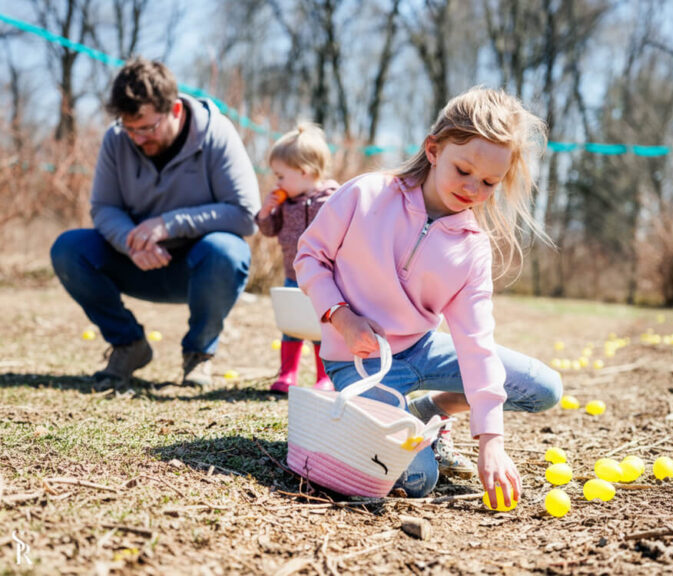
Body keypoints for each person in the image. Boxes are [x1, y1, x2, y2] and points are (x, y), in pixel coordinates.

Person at [294, 87, 562, 506]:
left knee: (543, 388)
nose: (473, 188)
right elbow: (310, 257)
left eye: (490, 182)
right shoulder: (365, 194)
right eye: (464, 170)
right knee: (417, 478)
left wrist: (491, 440)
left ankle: (427, 410)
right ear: (433, 149)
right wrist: (342, 317)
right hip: (358, 360)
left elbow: (475, 344)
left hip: (422, 350)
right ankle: (385, 411)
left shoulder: (472, 248)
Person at [50, 57, 260, 389]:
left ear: (175, 110)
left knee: (228, 251)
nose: (137, 139)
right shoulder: (116, 139)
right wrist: (129, 241)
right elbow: (104, 207)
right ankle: (128, 345)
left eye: (147, 128)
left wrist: (169, 224)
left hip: (199, 268)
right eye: (129, 128)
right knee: (68, 248)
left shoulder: (216, 134)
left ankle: (199, 355)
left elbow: (247, 213)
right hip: (137, 261)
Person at [256, 123, 339, 393]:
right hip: (293, 276)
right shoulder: (284, 204)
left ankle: (325, 376)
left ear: (303, 172)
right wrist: (266, 213)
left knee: (321, 328)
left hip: (324, 279)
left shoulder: (331, 201)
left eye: (281, 176)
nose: (276, 183)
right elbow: (269, 231)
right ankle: (287, 374)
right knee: (291, 325)